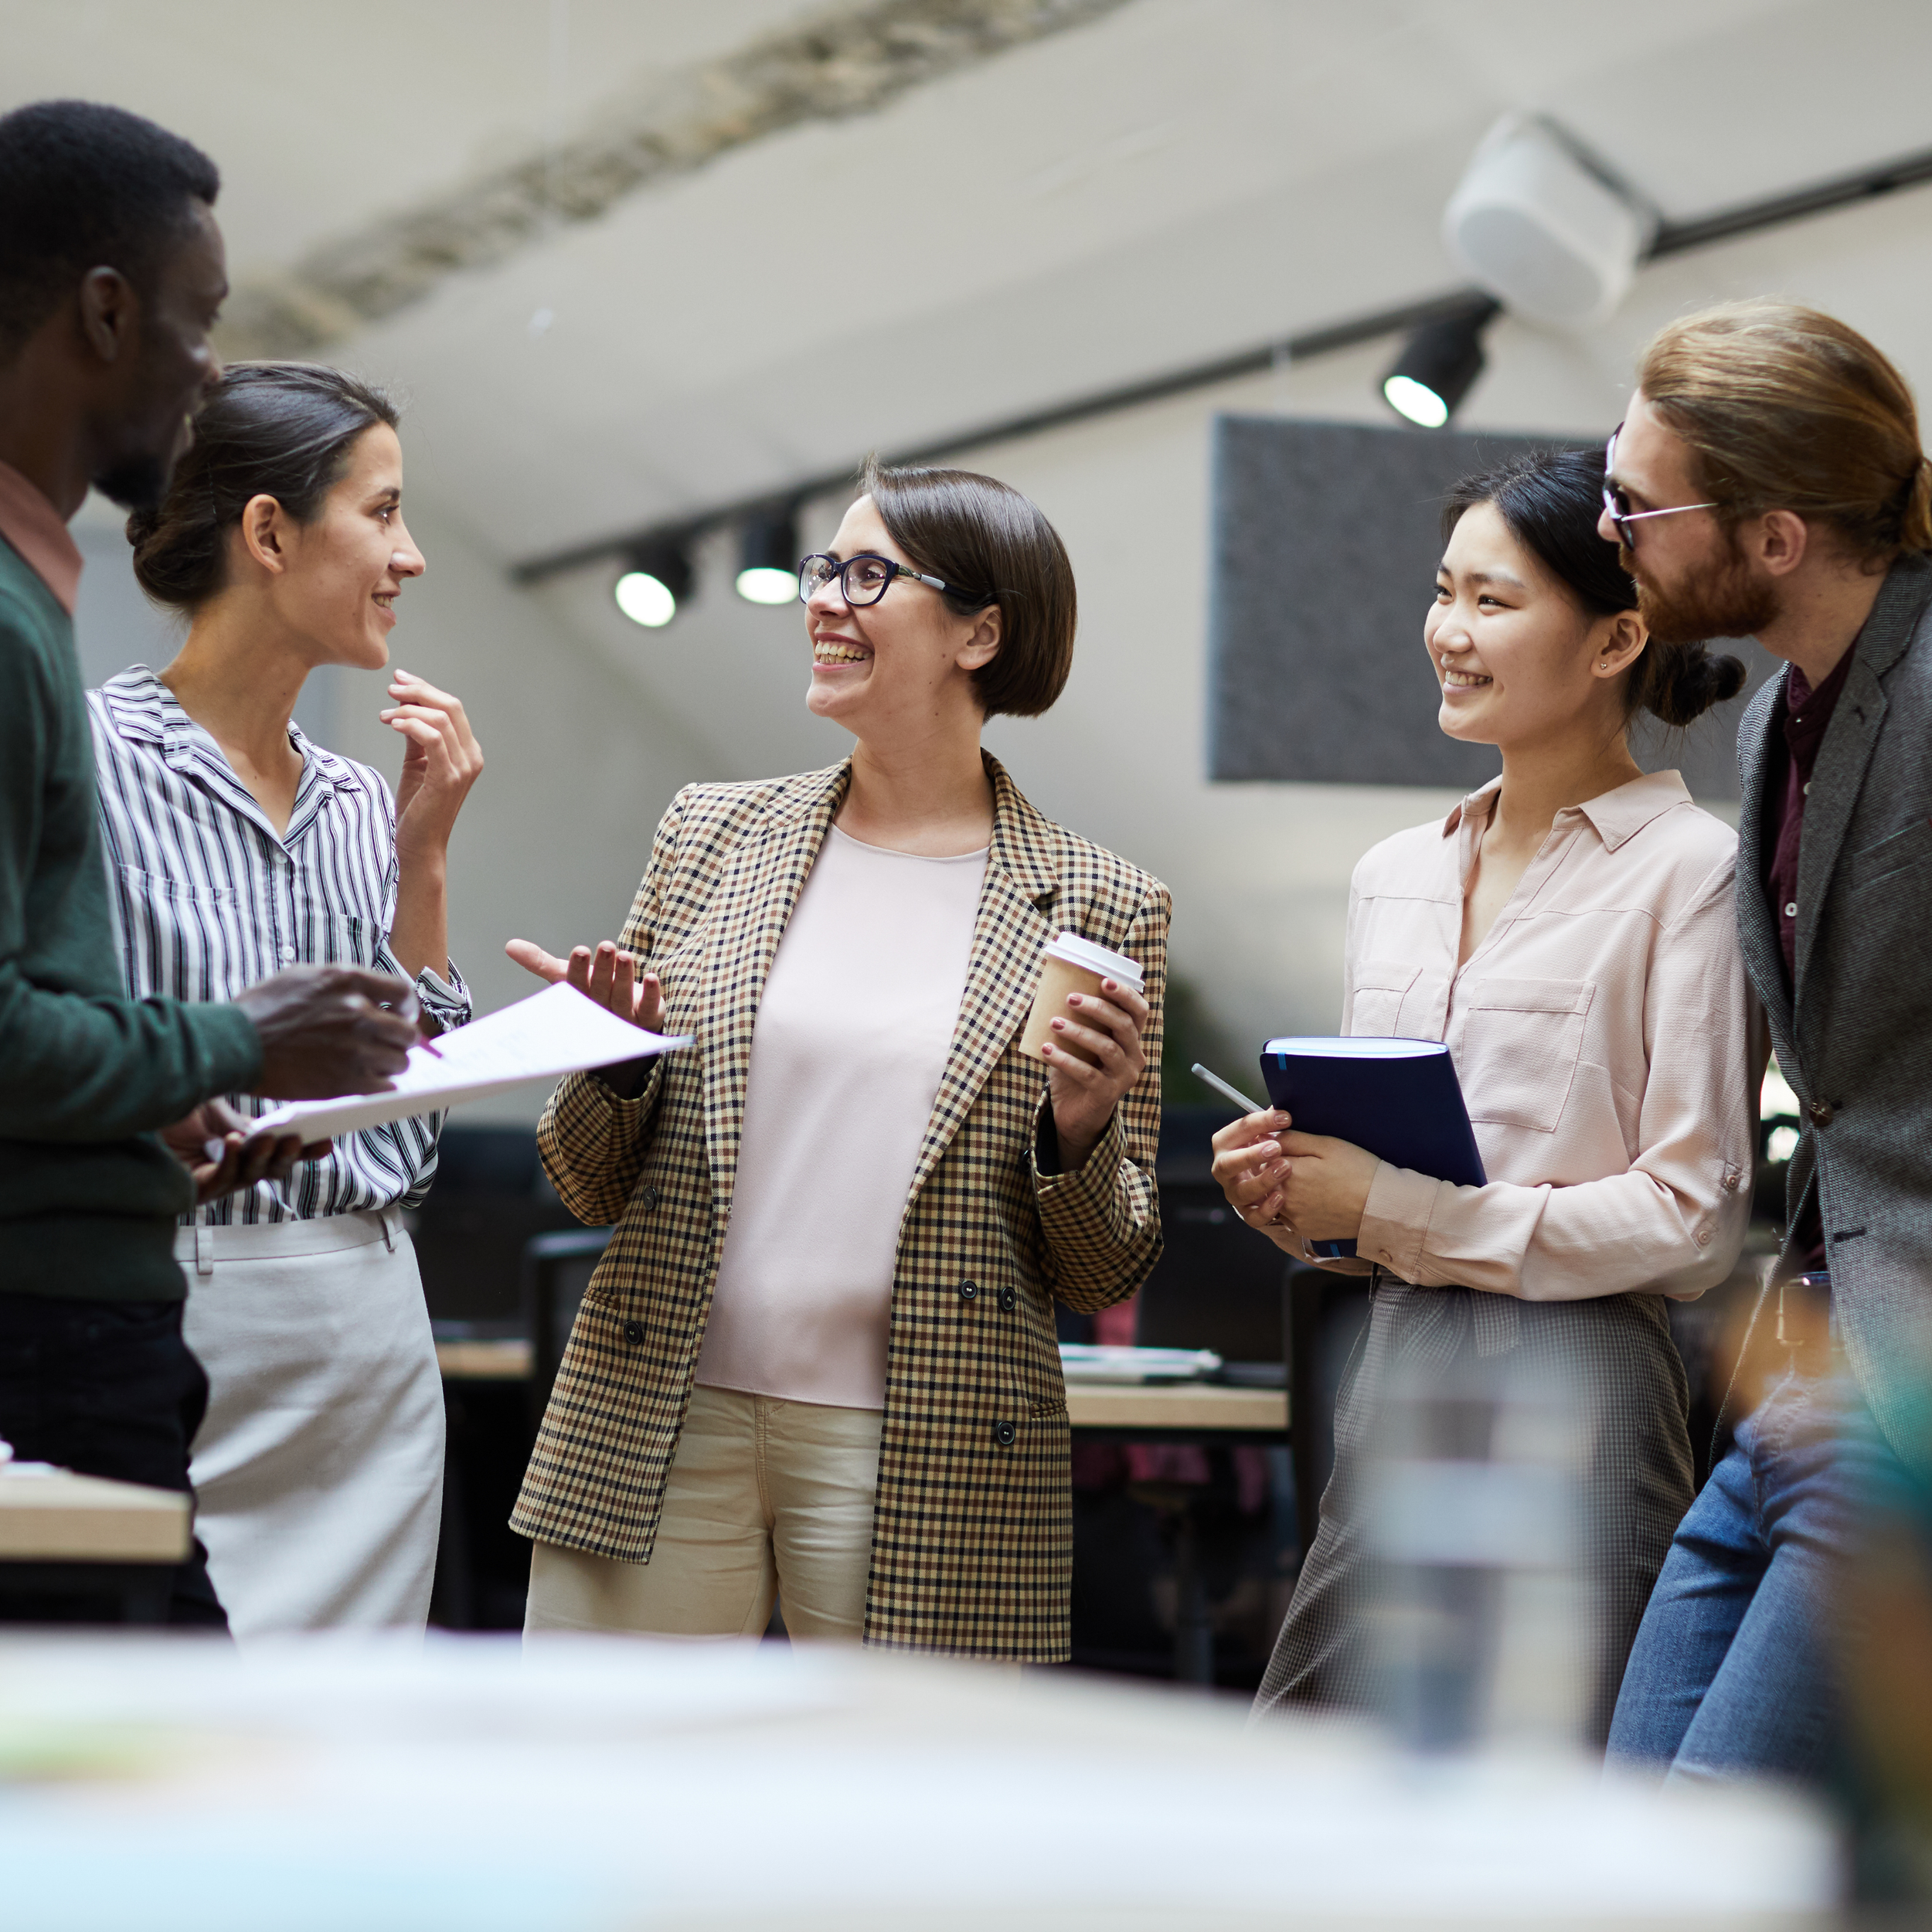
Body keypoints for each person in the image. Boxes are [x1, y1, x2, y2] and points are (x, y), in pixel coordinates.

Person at [505, 459, 1168, 1657]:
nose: (824, 599)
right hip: (662, 1409)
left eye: (870, 575)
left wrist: (1081, 1128)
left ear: (982, 632)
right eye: (825, 567)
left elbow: (1103, 1267)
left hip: (926, 1444)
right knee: (595, 1795)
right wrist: (612, 1065)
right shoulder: (710, 834)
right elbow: (585, 1180)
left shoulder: (1101, 903)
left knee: (897, 1831)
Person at [1213, 447, 1758, 1743]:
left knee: (1545, 1807)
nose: (1448, 633)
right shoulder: (1391, 874)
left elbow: (1689, 1220)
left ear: (1620, 634)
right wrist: (1293, 1196)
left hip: (1585, 1376)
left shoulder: (1694, 871)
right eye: (1443, 591)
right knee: (1309, 1768)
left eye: (1494, 602)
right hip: (1397, 1355)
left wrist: (1390, 1204)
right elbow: (1374, 1191)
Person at [0, 100, 418, 1626]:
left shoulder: (33, 602)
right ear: (106, 314)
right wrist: (238, 1045)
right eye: (199, 325)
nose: (207, 375)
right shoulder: (32, 651)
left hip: (257, 1313)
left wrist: (161, 1108)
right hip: (80, 1323)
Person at [88, 362, 484, 1637]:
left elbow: (410, 1143)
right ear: (269, 532)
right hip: (163, 1320)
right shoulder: (89, 763)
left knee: (347, 1765)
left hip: (369, 1339)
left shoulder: (367, 802)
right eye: (383, 512)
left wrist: (423, 864)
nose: (410, 555)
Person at [1601, 302, 1932, 1786]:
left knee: (1713, 1848)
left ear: (1777, 535)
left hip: (1904, 1401)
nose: (1612, 527)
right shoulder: (1770, 725)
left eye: (1639, 503)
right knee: (1624, 1847)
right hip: (1805, 1373)